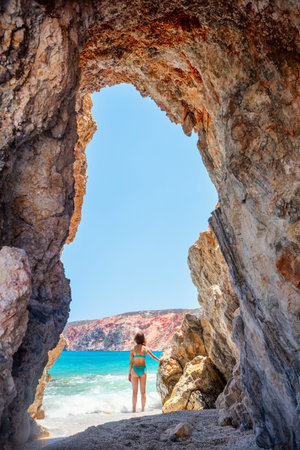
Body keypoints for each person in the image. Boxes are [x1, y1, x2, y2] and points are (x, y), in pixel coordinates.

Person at [128, 331, 160, 413]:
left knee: (135, 392)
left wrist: (129, 374)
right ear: (143, 339)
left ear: (136, 339)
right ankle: (143, 410)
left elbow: (130, 362)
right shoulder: (146, 349)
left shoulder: (133, 349)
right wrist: (159, 360)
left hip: (134, 370)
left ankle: (134, 410)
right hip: (143, 370)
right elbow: (153, 357)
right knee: (143, 392)